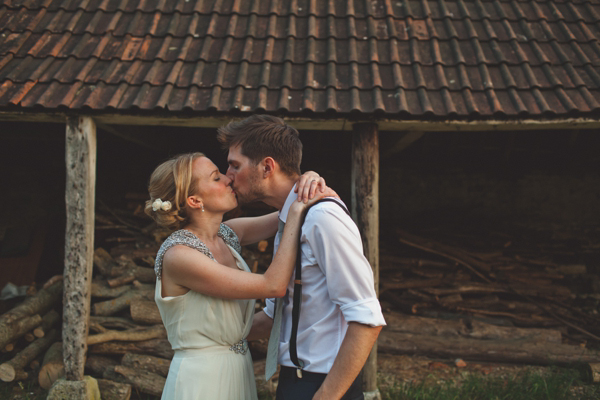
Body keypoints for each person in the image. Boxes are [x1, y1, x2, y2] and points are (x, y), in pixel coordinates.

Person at [218, 115, 386, 400]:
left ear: (267, 167)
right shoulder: (291, 218)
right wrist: (207, 337)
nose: (227, 175)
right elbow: (276, 317)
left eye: (235, 165)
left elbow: (367, 318)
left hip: (324, 386)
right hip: (293, 381)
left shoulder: (323, 218)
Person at [145, 152, 334, 400]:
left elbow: (287, 212)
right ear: (194, 200)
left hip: (237, 370)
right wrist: (297, 213)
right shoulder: (179, 256)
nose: (228, 179)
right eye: (216, 178)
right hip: (202, 380)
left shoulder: (227, 234)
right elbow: (273, 285)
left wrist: (306, 181)